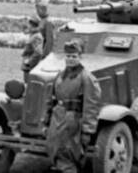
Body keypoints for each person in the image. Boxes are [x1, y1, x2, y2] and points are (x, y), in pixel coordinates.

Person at [45, 38, 101, 173]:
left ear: (80, 57)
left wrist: (87, 131)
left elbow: (91, 106)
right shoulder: (60, 76)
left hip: (74, 121)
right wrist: (46, 121)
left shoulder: (86, 77)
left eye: (74, 56)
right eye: (68, 56)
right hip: (57, 118)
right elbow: (50, 99)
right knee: (54, 148)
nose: (70, 59)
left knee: (69, 152)